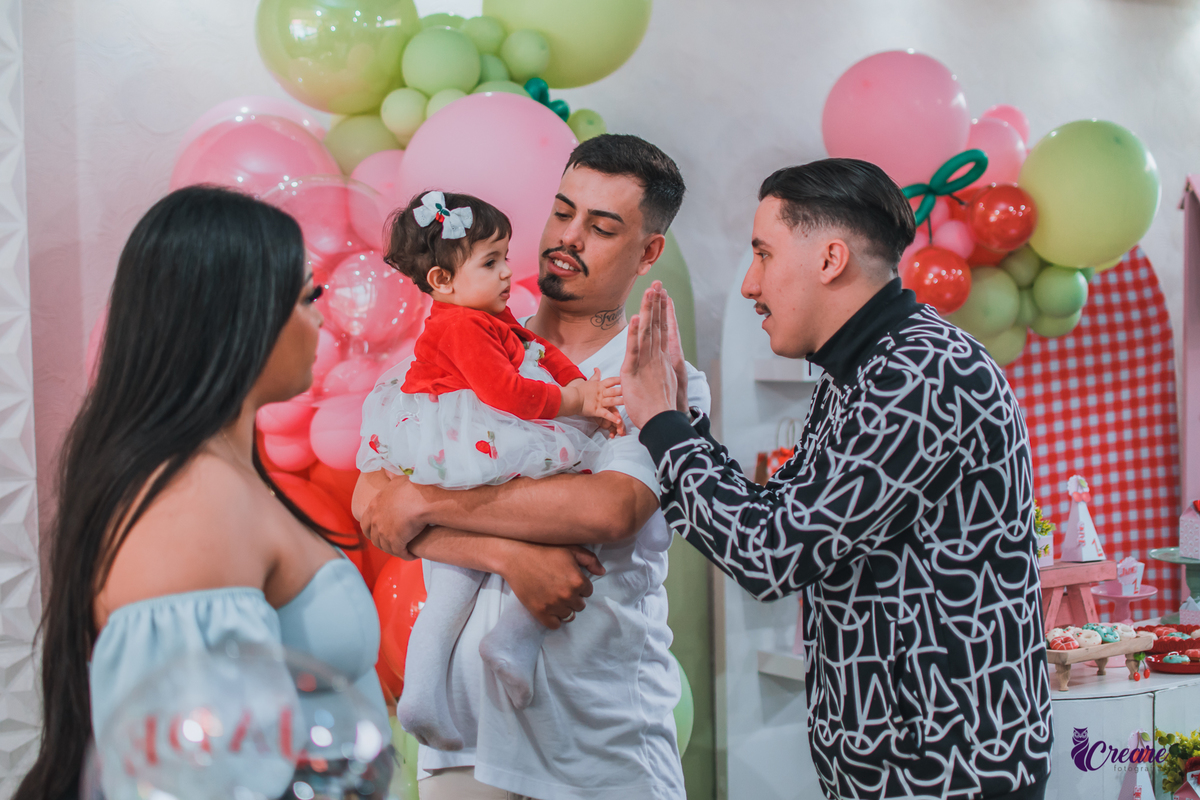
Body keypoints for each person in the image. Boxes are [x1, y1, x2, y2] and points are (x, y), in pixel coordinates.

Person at [619, 159, 1053, 800]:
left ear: (829, 260)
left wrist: (661, 426)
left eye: (763, 254)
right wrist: (681, 421)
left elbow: (769, 555)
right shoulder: (861, 374)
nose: (748, 284)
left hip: (949, 771)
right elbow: (775, 515)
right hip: (893, 769)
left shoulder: (922, 375)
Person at [355, 134, 709, 800]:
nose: (568, 237)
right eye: (563, 211)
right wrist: (509, 554)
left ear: (647, 253)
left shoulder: (657, 379)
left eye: (602, 228)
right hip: (464, 737)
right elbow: (374, 501)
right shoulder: (462, 333)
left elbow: (608, 507)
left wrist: (426, 504)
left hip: (600, 742)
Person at [14, 186, 391, 800]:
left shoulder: (219, 478)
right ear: (234, 317)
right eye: (305, 297)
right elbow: (200, 782)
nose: (320, 317)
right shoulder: (193, 501)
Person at [360, 189, 622, 749]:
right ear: (441, 281)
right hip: (462, 436)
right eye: (491, 262)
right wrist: (576, 404)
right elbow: (510, 394)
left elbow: (538, 350)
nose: (508, 273)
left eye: (505, 256)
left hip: (481, 432)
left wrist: (577, 381)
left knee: (505, 549)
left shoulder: (491, 314)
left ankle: (504, 644)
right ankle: (428, 690)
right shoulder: (457, 326)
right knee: (457, 582)